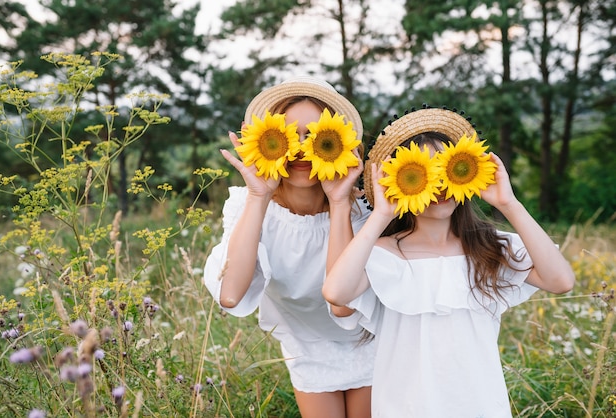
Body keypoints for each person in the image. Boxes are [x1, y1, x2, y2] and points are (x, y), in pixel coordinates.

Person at [322, 106, 575, 417]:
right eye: (423, 173)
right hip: (406, 407)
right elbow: (336, 293)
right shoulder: (383, 254)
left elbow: (560, 281)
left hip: (480, 404)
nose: (440, 184)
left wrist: (509, 204)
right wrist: (382, 214)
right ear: (399, 182)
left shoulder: (489, 246)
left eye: (448, 169)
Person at [203, 76, 374, 418]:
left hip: (372, 340)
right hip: (306, 346)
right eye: (286, 136)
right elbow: (230, 295)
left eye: (315, 137)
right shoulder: (248, 207)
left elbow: (345, 303)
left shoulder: (363, 210)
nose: (299, 149)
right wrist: (258, 194)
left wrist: (339, 203)